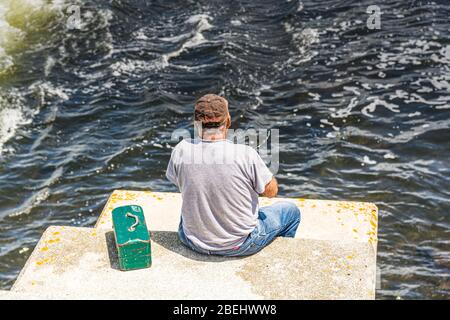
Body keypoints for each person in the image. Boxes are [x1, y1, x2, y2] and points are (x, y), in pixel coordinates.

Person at [166, 94, 300, 256]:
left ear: (196, 124)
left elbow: (179, 182)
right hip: (240, 244)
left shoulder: (181, 149)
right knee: (291, 211)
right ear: (228, 121)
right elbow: (271, 192)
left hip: (192, 240)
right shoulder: (245, 154)